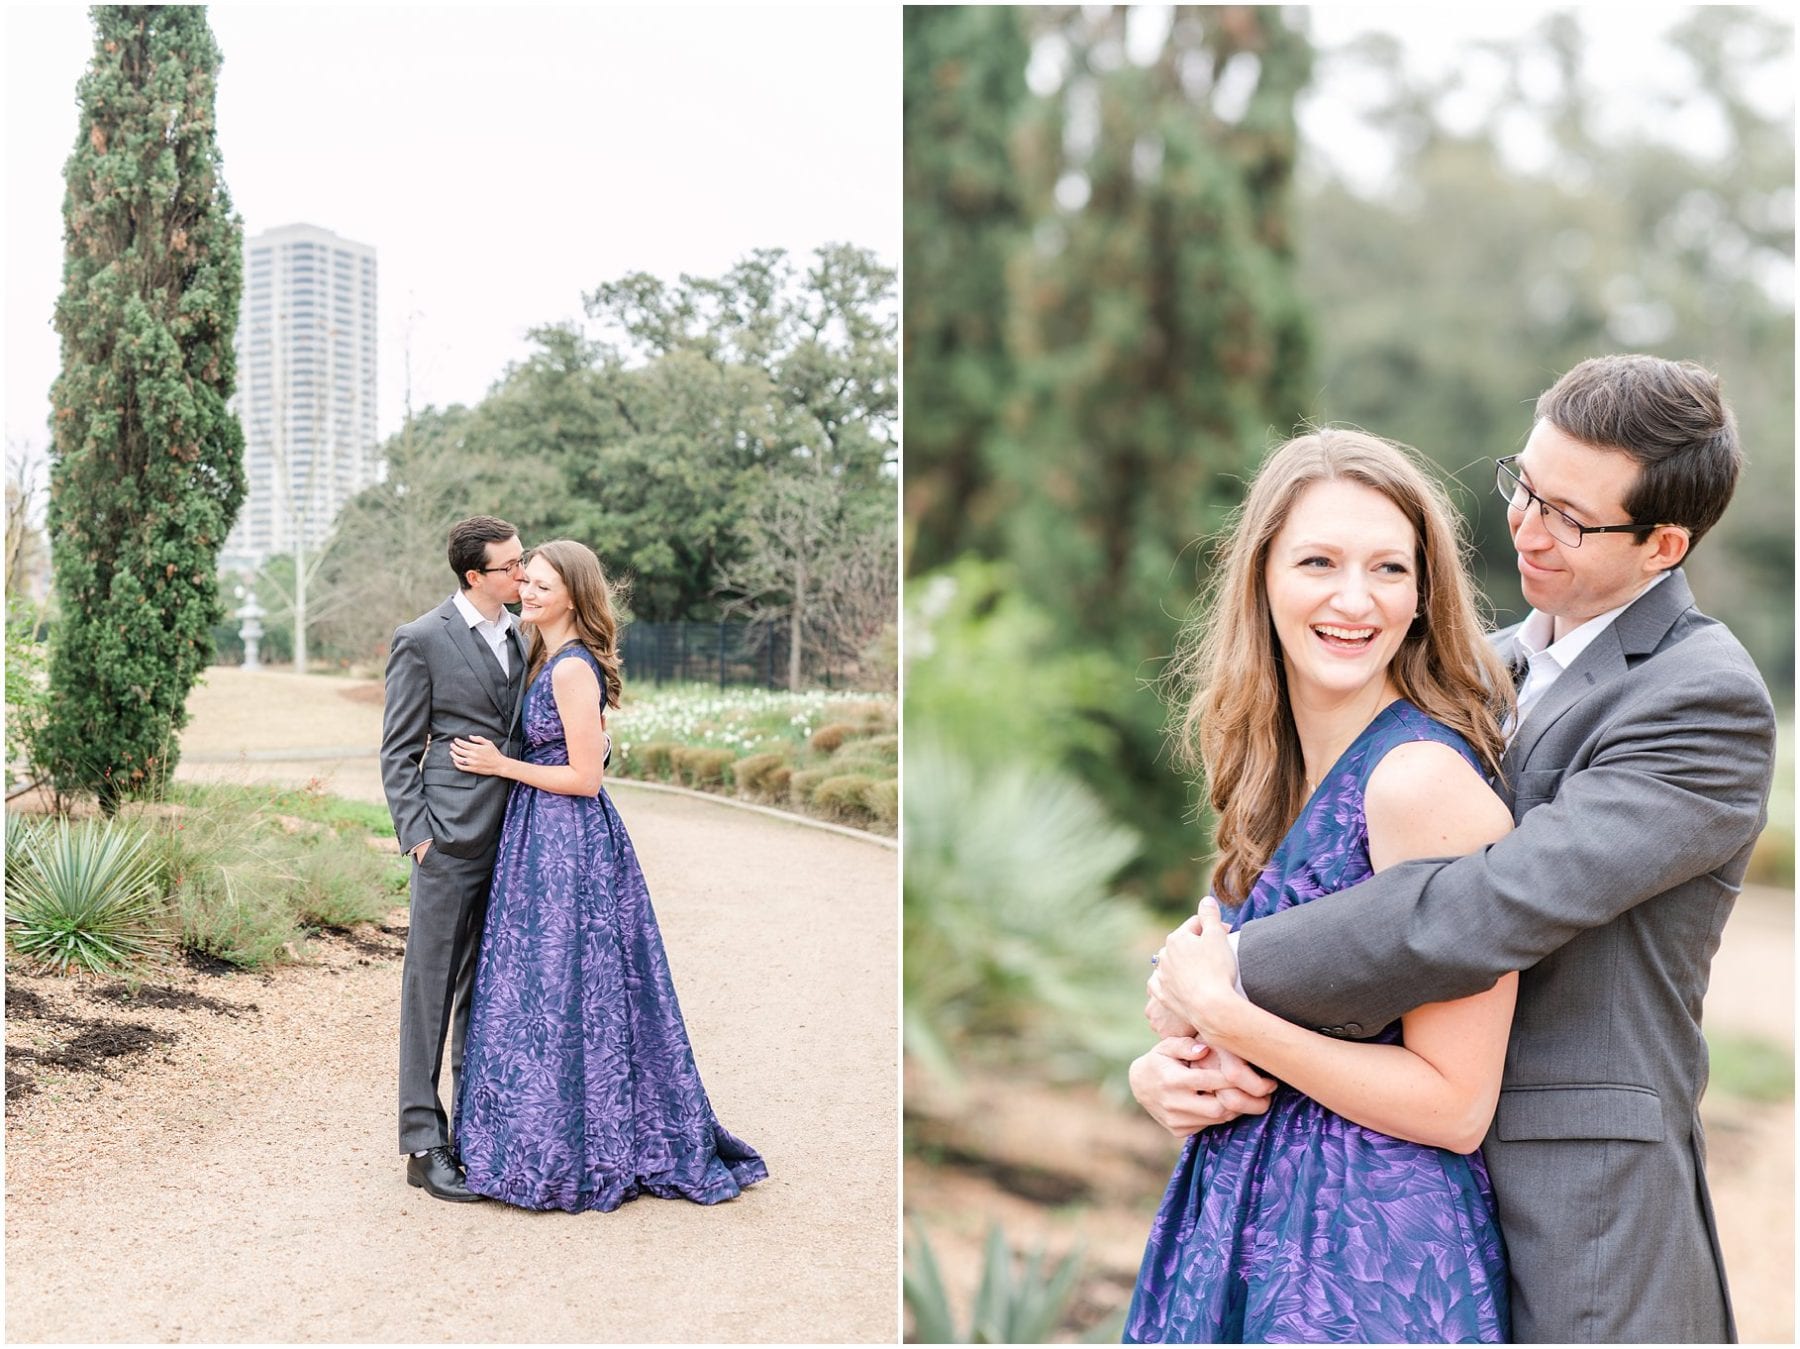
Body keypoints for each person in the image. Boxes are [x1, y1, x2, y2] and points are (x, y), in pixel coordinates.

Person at [1141, 355, 1776, 1342]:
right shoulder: (1491, 665)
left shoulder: (1703, 700)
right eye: (1524, 483)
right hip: (1392, 1185)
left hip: (1581, 1206)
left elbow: (1483, 905)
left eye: (1569, 516)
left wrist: (1232, 977)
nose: (1525, 525)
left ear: (1664, 544)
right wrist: (1175, 1048)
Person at [1122, 428, 1520, 1342]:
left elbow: (1457, 1104)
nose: (1354, 599)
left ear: (1423, 596)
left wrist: (1226, 1018)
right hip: (1252, 1227)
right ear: (1262, 576)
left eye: (1388, 568)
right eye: (1318, 561)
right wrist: (1166, 1077)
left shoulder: (1418, 783)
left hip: (1367, 1263)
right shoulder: (1280, 768)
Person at [445, 539, 767, 1212]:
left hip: (569, 840)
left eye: (538, 584)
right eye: (523, 581)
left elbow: (586, 778)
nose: (525, 591)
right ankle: (544, 1136)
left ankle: (578, 1148)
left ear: (572, 594)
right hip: (540, 838)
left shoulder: (569, 669)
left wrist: (502, 766)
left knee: (569, 990)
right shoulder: (546, 657)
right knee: (548, 992)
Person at [380, 515, 529, 1202]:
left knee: (489, 988)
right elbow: (398, 750)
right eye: (510, 566)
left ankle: (475, 1129)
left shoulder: (521, 638)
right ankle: (422, 1141)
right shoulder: (421, 640)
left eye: (521, 562)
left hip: (515, 837)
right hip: (445, 841)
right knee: (429, 989)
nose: (521, 574)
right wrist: (419, 836)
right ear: (475, 575)